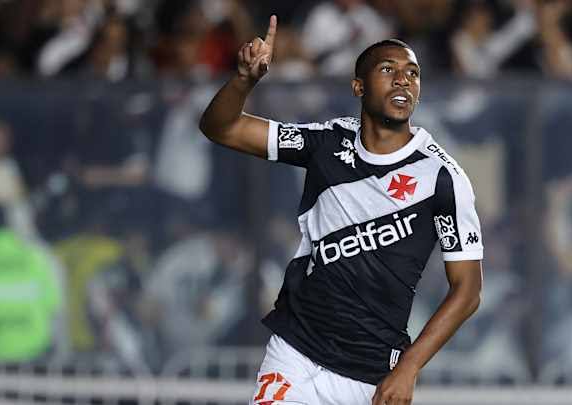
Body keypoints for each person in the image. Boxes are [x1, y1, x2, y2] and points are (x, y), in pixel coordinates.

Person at [199, 16, 483, 405]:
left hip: (369, 372)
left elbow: (468, 290)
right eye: (389, 70)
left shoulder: (442, 177)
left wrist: (409, 367)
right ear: (358, 86)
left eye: (413, 73)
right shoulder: (326, 143)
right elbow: (221, 128)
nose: (403, 80)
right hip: (295, 352)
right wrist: (244, 80)